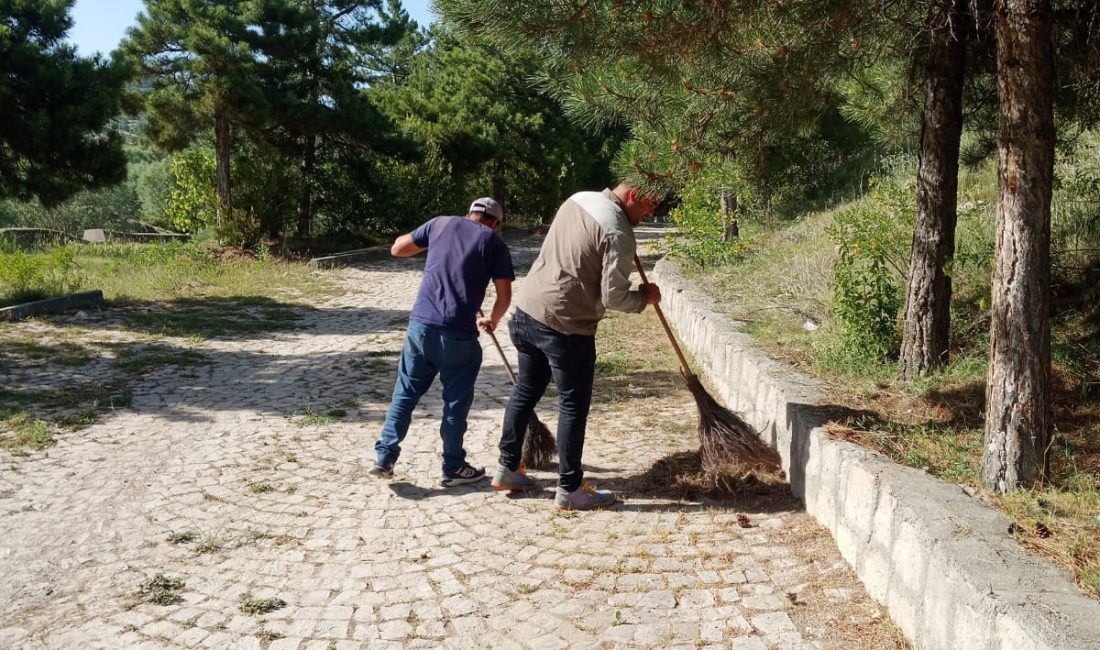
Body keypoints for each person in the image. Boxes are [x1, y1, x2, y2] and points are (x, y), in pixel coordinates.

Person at [490, 183, 661, 509]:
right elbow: (615, 297)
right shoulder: (619, 232)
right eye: (650, 204)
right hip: (566, 328)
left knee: (525, 391)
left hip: (527, 313)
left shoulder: (578, 199)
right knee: (572, 405)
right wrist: (645, 298)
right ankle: (569, 488)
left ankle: (508, 468)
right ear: (633, 196)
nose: (651, 212)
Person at [368, 197, 515, 487]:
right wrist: (492, 319)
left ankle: (384, 457)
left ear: (469, 213)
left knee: (405, 393)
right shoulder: (494, 243)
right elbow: (504, 295)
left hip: (420, 327)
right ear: (496, 223)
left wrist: (432, 242)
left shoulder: (440, 223)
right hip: (459, 335)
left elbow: (398, 249)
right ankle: (453, 467)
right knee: (455, 403)